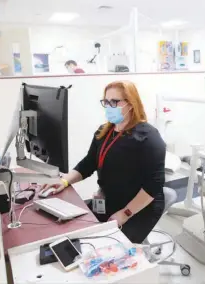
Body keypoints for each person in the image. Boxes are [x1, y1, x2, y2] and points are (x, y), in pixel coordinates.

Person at [40, 81, 166, 243]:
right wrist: (64, 181)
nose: (109, 106)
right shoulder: (103, 132)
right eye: (106, 102)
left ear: (131, 103)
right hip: (110, 200)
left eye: (115, 102)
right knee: (70, 227)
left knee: (109, 246)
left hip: (140, 208)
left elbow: (153, 186)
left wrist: (125, 213)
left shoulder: (149, 138)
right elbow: (88, 163)